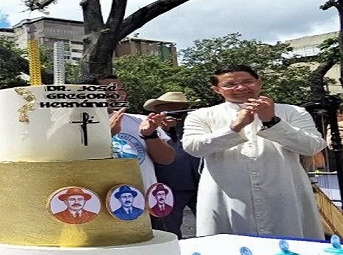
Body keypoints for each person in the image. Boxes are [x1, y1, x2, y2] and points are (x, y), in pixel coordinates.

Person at [182, 65, 325, 239]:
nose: (240, 88)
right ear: (217, 89)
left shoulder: (292, 111)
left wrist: (272, 122)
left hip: (284, 193)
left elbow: (313, 146)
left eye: (247, 81)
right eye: (230, 84)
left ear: (259, 83)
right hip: (227, 195)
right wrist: (235, 128)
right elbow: (193, 148)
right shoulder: (201, 115)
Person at [92, 75, 174, 190]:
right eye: (108, 89)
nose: (117, 94)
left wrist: (150, 135)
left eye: (120, 89)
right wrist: (106, 134)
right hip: (100, 197)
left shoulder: (142, 120)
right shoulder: (76, 124)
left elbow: (166, 159)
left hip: (144, 196)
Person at [143, 92, 201, 238]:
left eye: (180, 110)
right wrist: (161, 130)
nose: (175, 115)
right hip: (167, 187)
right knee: (169, 232)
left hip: (200, 183)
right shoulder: (148, 127)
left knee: (211, 226)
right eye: (170, 110)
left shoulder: (194, 125)